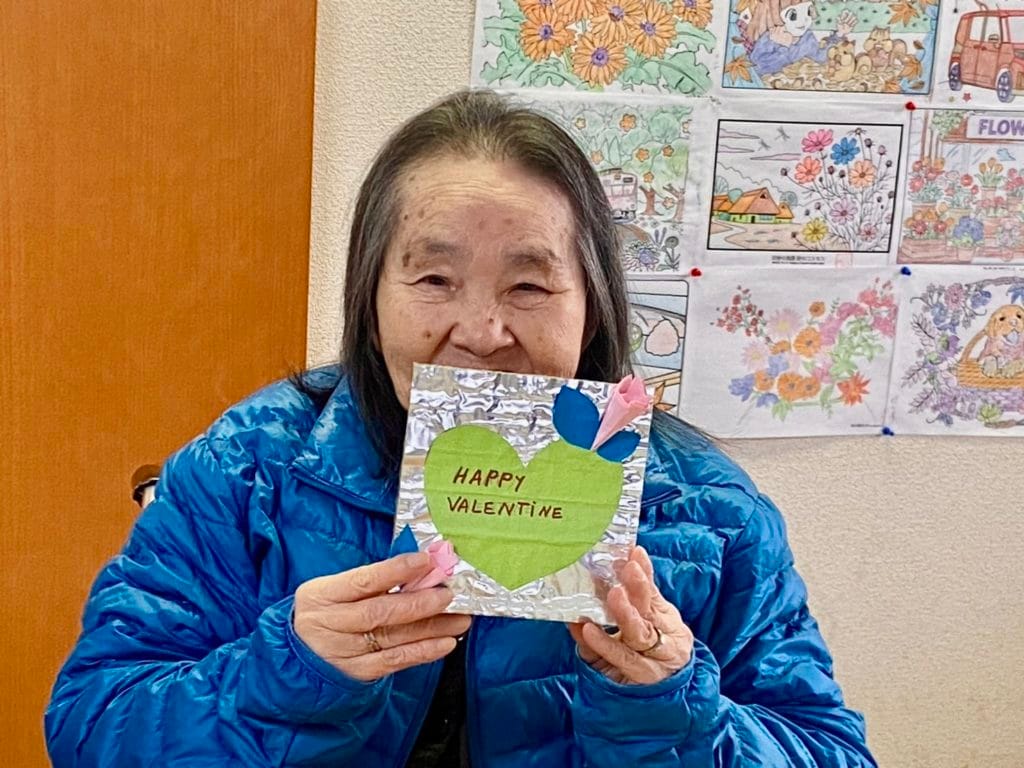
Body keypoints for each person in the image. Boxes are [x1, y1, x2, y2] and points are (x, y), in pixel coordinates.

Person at [46, 89, 876, 767]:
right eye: (435, 280)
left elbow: (829, 751)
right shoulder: (247, 469)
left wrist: (676, 712)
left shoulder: (708, 514)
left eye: (529, 287)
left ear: (591, 310)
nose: (481, 333)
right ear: (371, 300)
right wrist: (283, 675)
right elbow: (91, 722)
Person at [747, 0, 857, 77]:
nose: (804, 20)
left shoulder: (806, 37)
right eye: (793, 15)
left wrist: (839, 34)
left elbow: (820, 56)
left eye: (808, 12)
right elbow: (758, 68)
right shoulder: (770, 38)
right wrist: (784, 49)